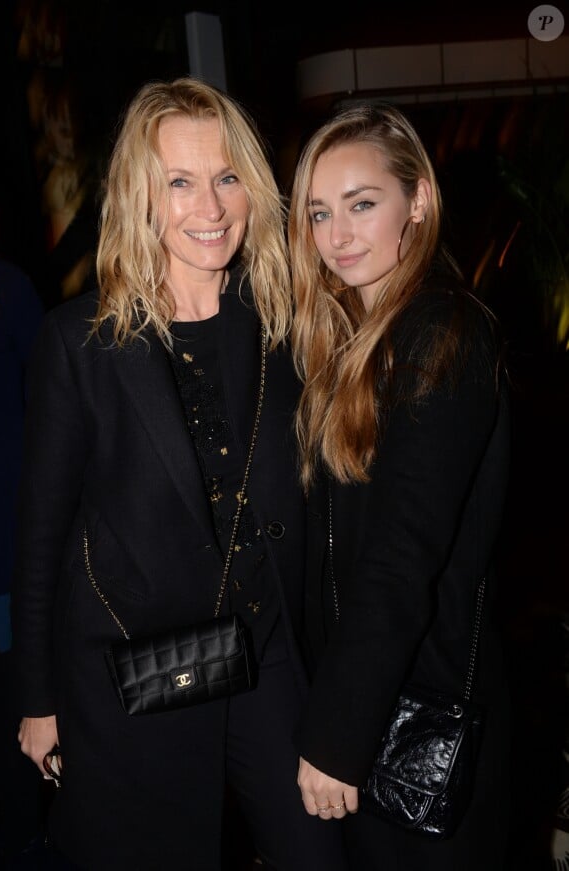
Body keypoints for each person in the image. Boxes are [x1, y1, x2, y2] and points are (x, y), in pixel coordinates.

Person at [11, 77, 348, 871]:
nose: (212, 206)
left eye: (228, 177)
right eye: (181, 182)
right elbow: (41, 540)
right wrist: (36, 698)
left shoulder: (285, 327)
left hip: (267, 665)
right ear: (141, 196)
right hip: (138, 675)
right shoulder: (81, 343)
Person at [288, 102, 511, 869]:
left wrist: (337, 733)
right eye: (319, 212)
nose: (337, 235)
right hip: (378, 697)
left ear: (417, 201)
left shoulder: (441, 333)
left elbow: (400, 557)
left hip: (421, 716)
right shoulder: (357, 336)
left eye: (362, 204)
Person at [0, 204, 46, 863]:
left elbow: (50, 408)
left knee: (14, 718)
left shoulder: (8, 290)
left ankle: (29, 838)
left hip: (8, 543)